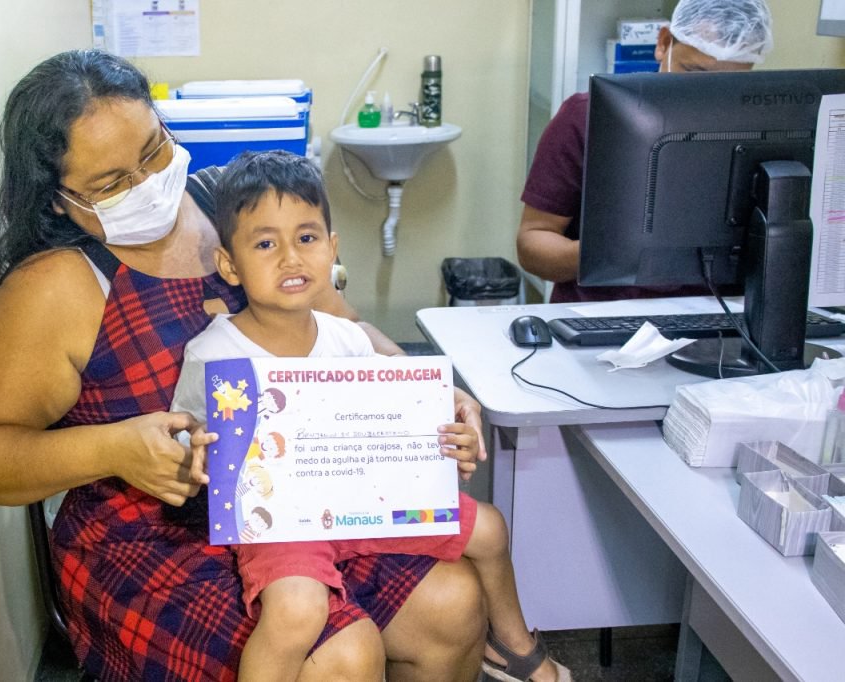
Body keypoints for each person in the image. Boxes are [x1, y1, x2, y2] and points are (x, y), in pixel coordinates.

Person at [0, 49, 494, 681]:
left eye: (153, 151)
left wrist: (417, 394)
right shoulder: (55, 287)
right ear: (58, 201)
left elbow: (344, 326)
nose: (148, 186)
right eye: (112, 184)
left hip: (296, 500)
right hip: (150, 540)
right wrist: (114, 449)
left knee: (456, 602)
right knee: (340, 653)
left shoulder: (227, 205)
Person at [170, 150, 570, 682]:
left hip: (365, 503)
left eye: (307, 238)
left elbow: (404, 420)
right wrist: (194, 451)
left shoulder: (350, 340)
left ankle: (516, 652)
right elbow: (183, 441)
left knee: (491, 529)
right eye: (265, 243)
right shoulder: (215, 354)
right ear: (229, 265)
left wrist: (447, 434)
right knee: (297, 610)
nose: (290, 257)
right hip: (282, 524)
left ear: (332, 250)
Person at [517, 0, 773, 303]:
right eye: (693, 72)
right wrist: (609, 254)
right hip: (603, 318)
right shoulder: (588, 117)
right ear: (664, 44)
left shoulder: (765, 128)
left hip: (719, 319)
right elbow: (533, 245)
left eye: (727, 85)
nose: (704, 95)